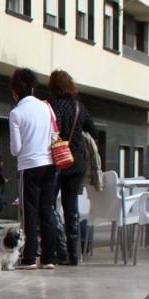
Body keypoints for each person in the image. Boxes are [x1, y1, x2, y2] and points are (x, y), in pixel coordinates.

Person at [47, 70, 99, 266]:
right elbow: (93, 130)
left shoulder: (52, 106)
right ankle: (74, 255)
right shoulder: (80, 107)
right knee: (71, 208)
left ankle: (58, 249)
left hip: (58, 160)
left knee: (50, 206)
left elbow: (51, 131)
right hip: (77, 162)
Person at [7, 68, 58, 269]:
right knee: (47, 210)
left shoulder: (16, 113)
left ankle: (29, 258)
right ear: (33, 87)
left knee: (29, 212)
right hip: (50, 165)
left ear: (15, 91)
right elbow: (54, 135)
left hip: (29, 166)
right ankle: (49, 257)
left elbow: (15, 149)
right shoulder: (46, 107)